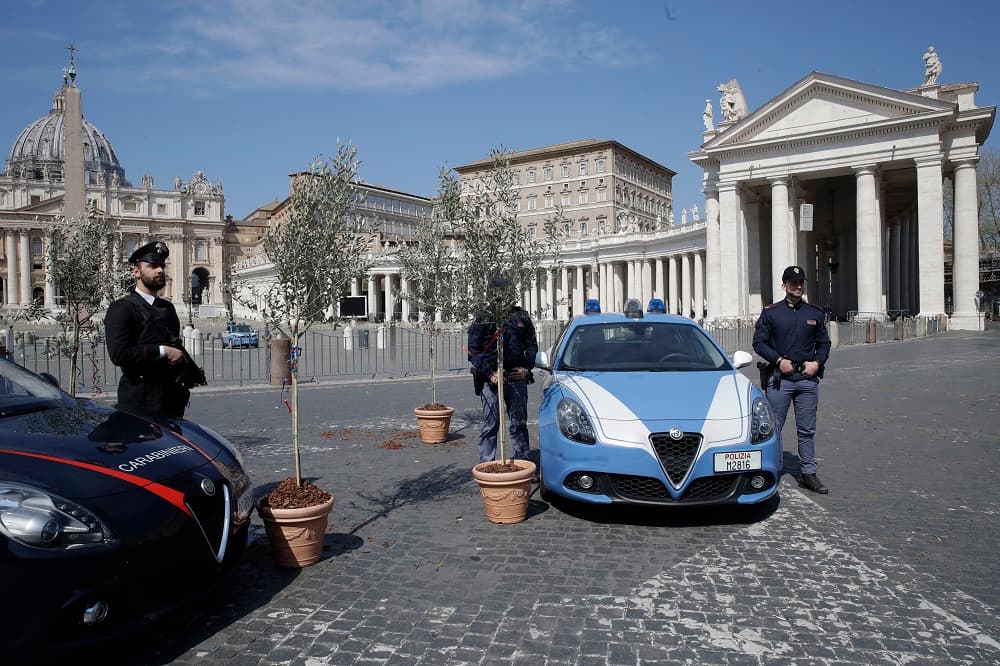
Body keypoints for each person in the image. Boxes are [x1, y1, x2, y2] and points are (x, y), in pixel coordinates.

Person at [752, 265, 832, 494]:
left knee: (807, 429)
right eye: (793, 282)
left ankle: (808, 473)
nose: (798, 286)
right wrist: (778, 360)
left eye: (801, 282)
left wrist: (817, 363)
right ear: (784, 285)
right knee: (774, 427)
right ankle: (771, 470)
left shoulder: (814, 314)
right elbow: (759, 343)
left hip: (807, 380)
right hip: (781, 380)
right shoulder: (771, 312)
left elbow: (824, 343)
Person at [104, 241, 190, 418]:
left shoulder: (167, 308)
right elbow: (119, 354)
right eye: (152, 266)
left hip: (171, 399)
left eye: (161, 266)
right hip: (139, 399)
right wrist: (163, 351)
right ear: (136, 272)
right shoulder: (121, 308)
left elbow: (174, 344)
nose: (159, 270)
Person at [467, 276, 538, 464]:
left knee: (519, 423)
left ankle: (522, 460)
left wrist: (526, 369)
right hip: (490, 378)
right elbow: (472, 352)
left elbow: (532, 346)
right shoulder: (483, 318)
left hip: (516, 376)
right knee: (491, 424)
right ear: (491, 294)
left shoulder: (521, 316)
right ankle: (487, 464)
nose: (500, 296)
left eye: (503, 292)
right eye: (496, 292)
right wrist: (491, 373)